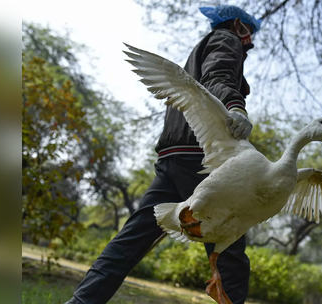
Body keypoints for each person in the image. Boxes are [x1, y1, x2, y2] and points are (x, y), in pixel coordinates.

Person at [65, 5, 262, 304]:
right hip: (201, 155)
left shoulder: (197, 51)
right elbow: (218, 75)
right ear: (237, 25)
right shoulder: (226, 40)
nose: (251, 41)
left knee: (132, 239)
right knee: (229, 250)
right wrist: (236, 106)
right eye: (249, 32)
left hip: (172, 156)